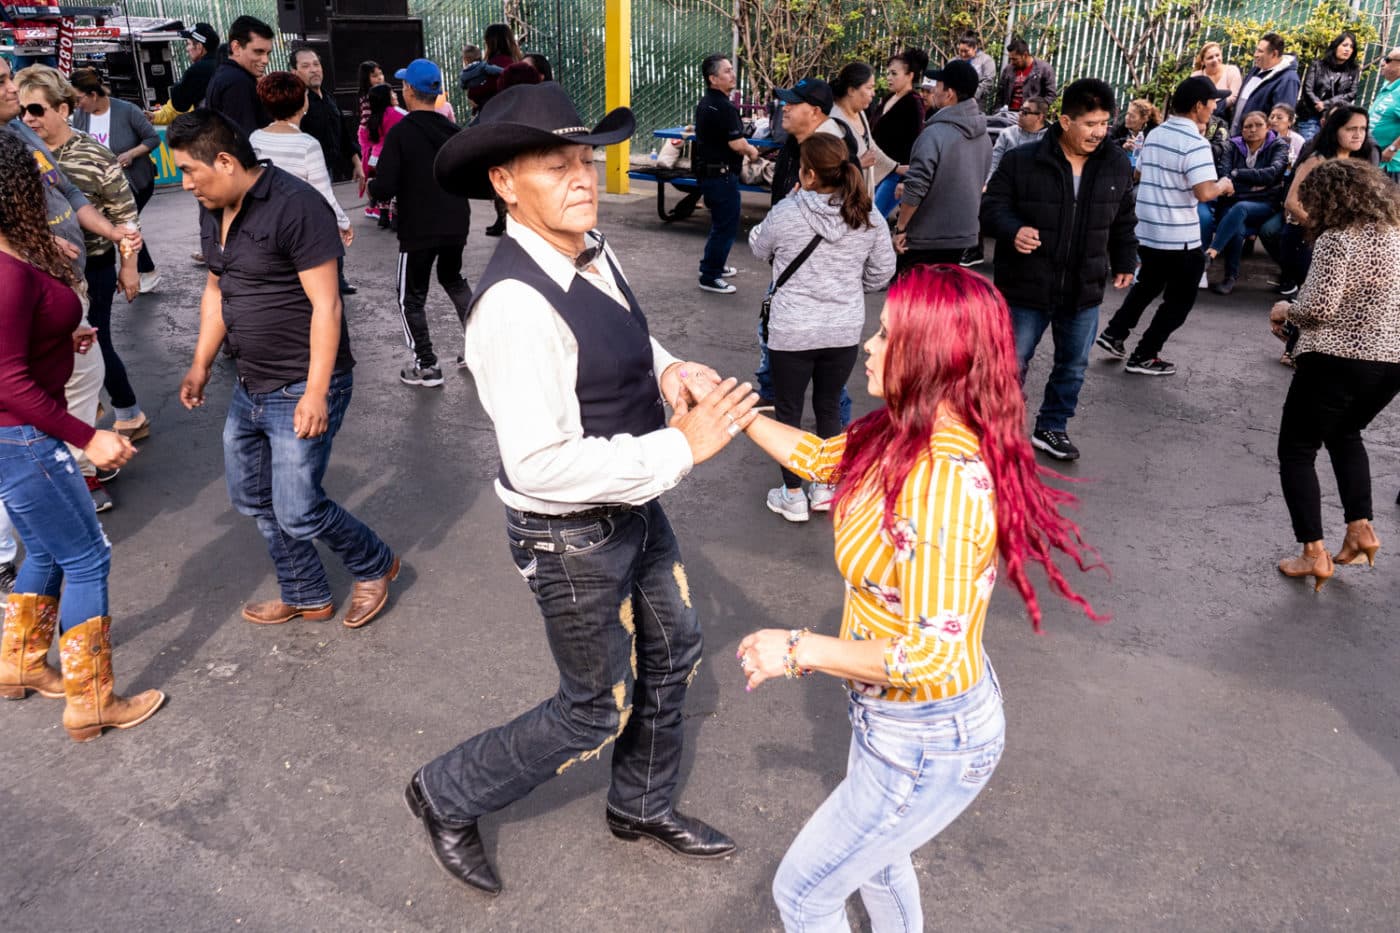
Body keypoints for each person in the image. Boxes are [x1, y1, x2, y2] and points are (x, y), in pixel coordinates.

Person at [410, 81, 757, 895]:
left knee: (675, 650)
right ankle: (445, 792)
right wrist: (683, 444)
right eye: (555, 165)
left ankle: (640, 803)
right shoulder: (511, 308)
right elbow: (539, 463)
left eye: (585, 160)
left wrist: (671, 370)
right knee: (594, 706)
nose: (581, 178)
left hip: (634, 504)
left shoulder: (590, 248)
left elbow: (627, 335)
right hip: (569, 538)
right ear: (504, 183)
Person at [733, 265, 1100, 931]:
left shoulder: (942, 483)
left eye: (885, 335)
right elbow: (818, 458)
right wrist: (731, 411)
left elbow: (931, 655)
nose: (869, 346)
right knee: (876, 864)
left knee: (805, 894)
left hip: (928, 738)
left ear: (932, 355)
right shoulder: (902, 432)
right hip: (901, 726)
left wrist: (798, 649)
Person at [170, 109, 400, 630]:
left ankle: (374, 563)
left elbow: (327, 305)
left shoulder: (297, 206)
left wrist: (316, 393)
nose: (185, 184)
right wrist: (200, 364)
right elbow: (216, 289)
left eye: (189, 171)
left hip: (302, 381)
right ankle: (306, 592)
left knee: (298, 508)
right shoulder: (213, 207)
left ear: (225, 161)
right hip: (249, 382)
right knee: (253, 496)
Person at [0, 129, 164, 740]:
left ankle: (18, 663)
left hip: (18, 438)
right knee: (87, 557)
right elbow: (7, 380)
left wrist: (57, 334)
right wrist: (87, 436)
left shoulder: (16, 254)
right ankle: (91, 700)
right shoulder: (7, 271)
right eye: (35, 176)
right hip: (24, 439)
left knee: (46, 550)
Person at [1, 59, 139, 514]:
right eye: (2, 81)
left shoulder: (17, 134)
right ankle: (73, 474)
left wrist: (116, 236)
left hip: (63, 283)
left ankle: (70, 469)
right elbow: (9, 383)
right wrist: (34, 245)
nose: (13, 91)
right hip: (27, 285)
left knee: (81, 370)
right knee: (29, 388)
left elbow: (70, 193)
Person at [982, 78, 1137, 462]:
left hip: (1084, 287)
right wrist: (1013, 230)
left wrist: (1124, 260)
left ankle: (1052, 427)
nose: (1099, 132)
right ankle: (999, 428)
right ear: (1065, 121)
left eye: (1105, 123)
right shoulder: (1022, 160)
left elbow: (1123, 218)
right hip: (1026, 284)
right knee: (1011, 362)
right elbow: (992, 207)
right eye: (1090, 124)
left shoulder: (1115, 163)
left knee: (1073, 365)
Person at [1268, 160, 1400, 592]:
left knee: (1297, 450)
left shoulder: (1338, 238)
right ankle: (1360, 530)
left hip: (1336, 360)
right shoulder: (1395, 234)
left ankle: (1313, 553)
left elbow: (1318, 308)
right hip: (1390, 363)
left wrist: (1287, 310)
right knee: (1346, 434)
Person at [748, 133, 895, 519]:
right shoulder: (867, 214)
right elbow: (882, 271)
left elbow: (759, 247)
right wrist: (849, 289)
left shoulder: (788, 211)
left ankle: (793, 493)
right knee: (829, 405)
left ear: (809, 174)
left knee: (789, 410)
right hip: (842, 329)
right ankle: (826, 488)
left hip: (792, 330)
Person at [18, 66, 150, 452]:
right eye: (23, 111)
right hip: (41, 269)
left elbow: (125, 216)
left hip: (93, 267)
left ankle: (127, 413)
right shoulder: (22, 150)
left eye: (37, 109)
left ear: (63, 109)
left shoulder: (93, 154)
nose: (28, 118)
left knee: (93, 342)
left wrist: (129, 268)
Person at [1096, 77, 1233, 377]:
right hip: (1178, 236)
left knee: (1148, 284)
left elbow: (1138, 173)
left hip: (1147, 231)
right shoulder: (1196, 143)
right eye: (1212, 103)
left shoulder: (1156, 134)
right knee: (1180, 301)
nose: (1215, 108)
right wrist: (1224, 184)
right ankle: (1145, 355)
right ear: (1198, 106)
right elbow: (1204, 192)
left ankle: (1114, 333)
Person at [367, 60, 473, 387]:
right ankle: (477, 350)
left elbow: (384, 187)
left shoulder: (401, 133)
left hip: (419, 228)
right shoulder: (454, 131)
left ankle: (426, 365)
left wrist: (372, 187)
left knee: (410, 297)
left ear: (409, 90)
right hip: (456, 222)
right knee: (453, 279)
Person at [1268, 106, 1376, 303]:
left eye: (1362, 128)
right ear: (1335, 130)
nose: (1358, 134)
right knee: (1316, 301)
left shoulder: (1359, 159)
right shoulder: (1317, 159)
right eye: (1351, 129)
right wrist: (1325, 230)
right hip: (1306, 238)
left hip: (1339, 241)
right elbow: (1291, 202)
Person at [893, 60, 991, 273]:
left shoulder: (934, 134)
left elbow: (916, 186)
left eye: (938, 85)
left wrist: (900, 227)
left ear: (949, 94)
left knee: (911, 291)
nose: (934, 90)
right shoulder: (983, 135)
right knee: (943, 291)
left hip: (926, 237)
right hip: (962, 235)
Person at [70, 67, 162, 293]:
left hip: (135, 181)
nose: (77, 104)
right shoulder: (80, 116)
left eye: (79, 98)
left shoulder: (127, 110)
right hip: (99, 187)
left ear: (93, 95)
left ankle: (144, 270)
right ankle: (141, 270)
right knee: (117, 226)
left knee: (121, 224)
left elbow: (152, 138)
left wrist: (131, 154)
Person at [250, 71, 354, 253]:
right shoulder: (308, 145)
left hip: (265, 224)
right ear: (303, 103)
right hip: (299, 226)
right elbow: (323, 194)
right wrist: (343, 222)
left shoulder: (255, 137)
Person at [290, 46, 365, 295]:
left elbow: (343, 132)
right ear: (294, 72)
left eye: (316, 64)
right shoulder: (296, 103)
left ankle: (335, 278)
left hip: (327, 172)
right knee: (321, 225)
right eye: (306, 66)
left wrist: (356, 162)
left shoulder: (328, 97)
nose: (314, 70)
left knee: (328, 223)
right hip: (304, 176)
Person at [1201, 109, 1289, 295]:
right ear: (1241, 130)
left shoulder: (1278, 145)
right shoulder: (1232, 145)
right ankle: (1230, 278)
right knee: (1237, 226)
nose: (1253, 130)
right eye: (1248, 126)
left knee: (1241, 208)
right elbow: (1224, 175)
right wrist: (1254, 185)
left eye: (1258, 125)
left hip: (1265, 204)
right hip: (1232, 202)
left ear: (1267, 127)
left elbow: (1272, 174)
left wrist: (1237, 174)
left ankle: (1211, 253)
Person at [693, 53, 758, 295]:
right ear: (713, 78)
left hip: (711, 175)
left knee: (721, 224)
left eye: (732, 70)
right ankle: (710, 276)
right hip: (721, 177)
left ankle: (714, 265)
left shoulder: (707, 102)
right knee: (726, 226)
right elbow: (737, 143)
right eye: (727, 71)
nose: (733, 74)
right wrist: (752, 152)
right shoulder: (723, 106)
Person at [475, 23, 525, 238]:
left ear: (490, 41)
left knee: (497, 171)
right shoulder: (518, 63)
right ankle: (515, 217)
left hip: (493, 123)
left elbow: (476, 92)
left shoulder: (491, 65)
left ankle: (503, 218)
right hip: (517, 122)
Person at [871, 48, 928, 218]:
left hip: (896, 174)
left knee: (875, 218)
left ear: (910, 76)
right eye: (888, 73)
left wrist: (905, 180)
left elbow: (916, 142)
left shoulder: (914, 103)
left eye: (894, 73)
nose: (889, 77)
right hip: (877, 169)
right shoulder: (889, 98)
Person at [830, 62, 895, 196]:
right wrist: (858, 164)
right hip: (839, 198)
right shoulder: (833, 120)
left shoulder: (860, 112)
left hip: (861, 194)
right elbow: (826, 167)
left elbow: (871, 147)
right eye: (869, 88)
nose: (873, 93)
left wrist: (896, 167)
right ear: (851, 90)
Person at [205, 15, 273, 135]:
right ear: (236, 48)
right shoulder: (237, 82)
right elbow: (245, 137)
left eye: (268, 53)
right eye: (258, 51)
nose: (265, 60)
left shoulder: (228, 75)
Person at [1230, 33, 1300, 135]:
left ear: (1274, 54)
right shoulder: (1256, 70)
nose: (1255, 54)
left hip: (1257, 140)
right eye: (1256, 50)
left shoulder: (1288, 79)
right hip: (1238, 137)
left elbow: (1281, 121)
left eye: (1260, 51)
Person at [150, 23, 219, 125]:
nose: (187, 49)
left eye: (189, 44)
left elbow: (179, 105)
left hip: (211, 129)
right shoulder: (225, 63)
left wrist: (179, 85)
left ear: (199, 47)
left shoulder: (197, 71)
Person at [1298, 32, 1360, 139]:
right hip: (1311, 115)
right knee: (1308, 145)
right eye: (1345, 45)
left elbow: (1352, 93)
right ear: (1336, 46)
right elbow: (1308, 89)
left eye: (1351, 47)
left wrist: (1326, 104)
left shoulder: (1353, 70)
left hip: (1335, 118)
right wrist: (1318, 104)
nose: (1348, 49)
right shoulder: (1318, 65)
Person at [359, 84, 404, 224]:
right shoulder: (394, 113)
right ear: (386, 97)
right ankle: (395, 218)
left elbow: (366, 136)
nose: (395, 95)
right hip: (391, 155)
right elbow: (408, 120)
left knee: (384, 184)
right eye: (392, 93)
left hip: (375, 157)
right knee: (397, 185)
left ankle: (383, 216)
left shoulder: (374, 117)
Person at [985, 96, 1048, 186]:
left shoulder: (1049, 139)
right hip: (1005, 185)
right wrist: (988, 184)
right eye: (1020, 110)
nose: (1019, 114)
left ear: (1039, 117)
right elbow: (994, 162)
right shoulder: (1007, 134)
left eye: (1025, 112)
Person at [996, 37, 1057, 112]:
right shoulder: (1008, 69)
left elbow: (1051, 95)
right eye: (1010, 59)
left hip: (1030, 115)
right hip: (1008, 114)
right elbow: (1000, 93)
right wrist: (997, 111)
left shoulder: (1044, 69)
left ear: (1025, 55)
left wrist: (1036, 111)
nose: (1012, 62)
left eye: (1015, 59)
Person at [1368, 48, 1400, 181]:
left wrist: (1393, 148)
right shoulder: (1389, 85)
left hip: (1389, 166)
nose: (1382, 63)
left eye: (1388, 60)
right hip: (1373, 158)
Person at [1192, 41, 1242, 122]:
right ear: (1203, 62)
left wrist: (1213, 107)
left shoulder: (1231, 71)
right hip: (1200, 117)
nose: (1215, 60)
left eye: (1217, 55)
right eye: (1210, 58)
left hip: (1224, 117)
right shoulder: (1196, 76)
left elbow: (1234, 97)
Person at [1109, 98, 1161, 167]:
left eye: (1132, 116)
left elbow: (1155, 157)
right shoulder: (1122, 128)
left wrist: (1140, 149)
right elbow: (1107, 145)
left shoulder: (1153, 134)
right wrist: (1123, 145)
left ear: (1144, 119)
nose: (1127, 118)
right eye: (1127, 114)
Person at [956, 31, 997, 109]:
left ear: (975, 48)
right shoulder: (954, 61)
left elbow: (988, 82)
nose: (963, 54)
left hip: (975, 105)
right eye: (960, 51)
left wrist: (971, 95)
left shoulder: (986, 61)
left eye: (966, 51)